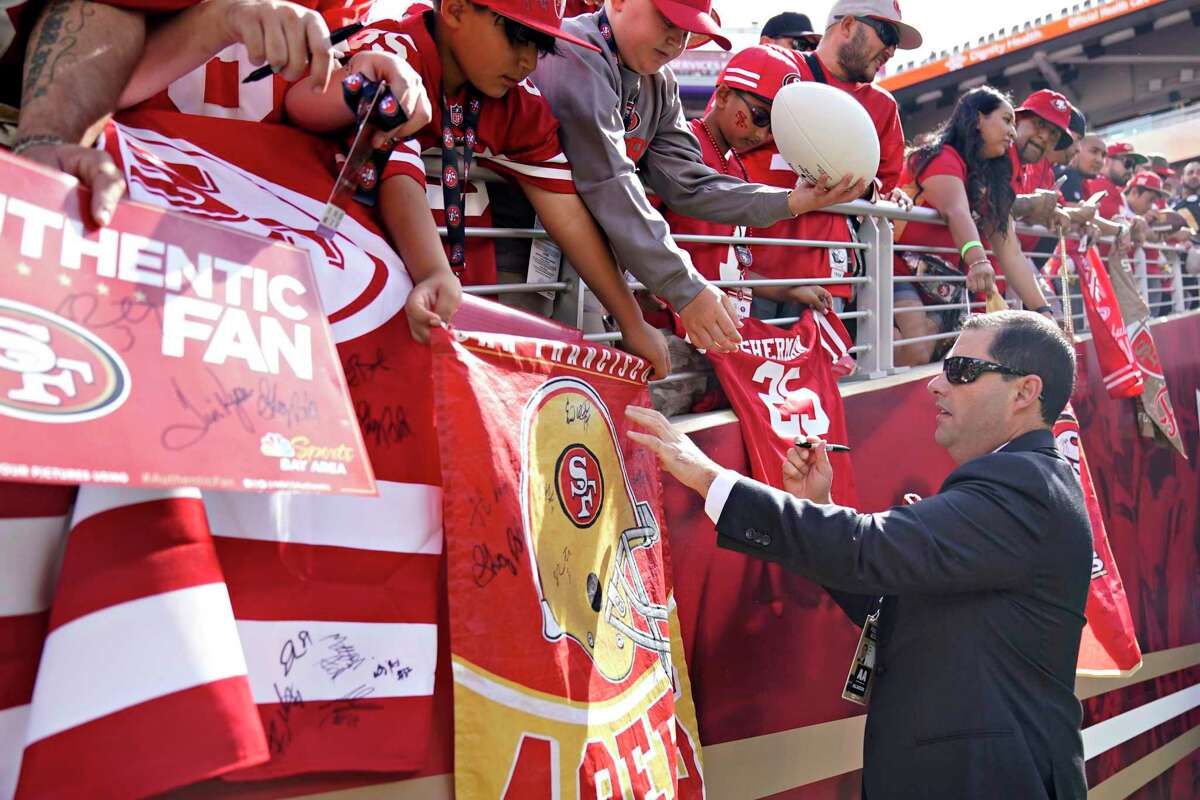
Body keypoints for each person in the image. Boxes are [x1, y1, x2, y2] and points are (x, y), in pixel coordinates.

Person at [627, 309, 1091, 800]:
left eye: (960, 371)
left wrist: (706, 476)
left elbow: (870, 549)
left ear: (1025, 392)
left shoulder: (1025, 485)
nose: (936, 384)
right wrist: (819, 509)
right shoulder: (1021, 484)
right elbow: (891, 597)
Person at [285, 0, 669, 374]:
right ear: (454, 9)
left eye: (541, 45)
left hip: (432, 315)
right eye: (519, 37)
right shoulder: (391, 54)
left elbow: (567, 215)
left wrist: (632, 323)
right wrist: (434, 271)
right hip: (317, 303)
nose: (529, 62)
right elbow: (375, 153)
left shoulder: (520, 104)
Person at [530, 0, 866, 355]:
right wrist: (681, 287)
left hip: (584, 272)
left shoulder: (659, 83)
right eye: (666, 19)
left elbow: (689, 183)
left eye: (688, 29)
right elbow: (609, 179)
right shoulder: (576, 47)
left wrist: (791, 201)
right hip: (513, 252)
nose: (677, 39)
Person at [746, 0, 921, 323]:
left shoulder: (882, 106)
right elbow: (716, 144)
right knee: (733, 371)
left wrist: (876, 191)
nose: (892, 50)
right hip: (749, 269)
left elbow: (882, 186)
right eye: (886, 33)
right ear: (847, 25)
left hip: (825, 279)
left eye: (897, 43)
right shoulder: (770, 66)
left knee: (818, 375)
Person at [891, 87, 1053, 365]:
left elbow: (1010, 251)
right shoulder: (939, 156)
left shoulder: (990, 181)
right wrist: (978, 261)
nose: (1012, 132)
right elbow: (956, 211)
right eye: (1006, 120)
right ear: (979, 118)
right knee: (916, 349)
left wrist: (1043, 311)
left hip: (945, 287)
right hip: (896, 271)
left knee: (948, 351)